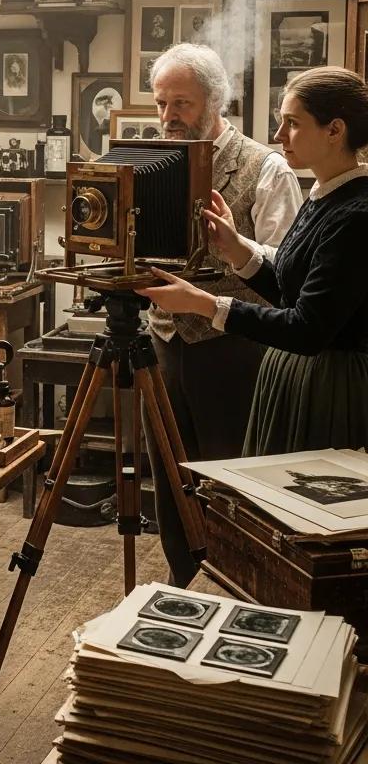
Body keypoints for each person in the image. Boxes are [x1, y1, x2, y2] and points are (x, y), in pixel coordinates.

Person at [141, 65, 368, 461]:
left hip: (330, 387)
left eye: (292, 123)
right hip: (293, 378)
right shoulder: (324, 195)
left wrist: (204, 303)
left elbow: (309, 327)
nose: (279, 135)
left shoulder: (357, 213)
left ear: (335, 130)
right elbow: (291, 289)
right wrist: (237, 250)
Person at [142, 44, 301, 587]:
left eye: (180, 103)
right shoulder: (155, 162)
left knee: (233, 478)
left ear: (215, 101)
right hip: (164, 341)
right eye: (160, 103)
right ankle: (183, 583)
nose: (167, 117)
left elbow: (288, 274)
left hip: (236, 349)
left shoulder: (266, 167)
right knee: (169, 474)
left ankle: (237, 586)